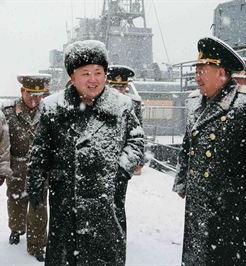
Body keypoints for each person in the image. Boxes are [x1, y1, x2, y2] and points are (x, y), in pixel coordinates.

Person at [25, 40, 144, 266]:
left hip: (107, 203)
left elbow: (136, 139)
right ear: (72, 76)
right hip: (65, 202)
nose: (93, 79)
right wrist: (35, 184)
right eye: (86, 73)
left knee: (104, 256)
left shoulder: (122, 106)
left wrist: (121, 170)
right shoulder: (53, 107)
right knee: (66, 257)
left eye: (99, 72)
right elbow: (40, 149)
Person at [173, 36, 246, 265]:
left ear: (221, 72)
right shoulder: (193, 102)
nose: (197, 77)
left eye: (203, 71)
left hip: (234, 210)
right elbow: (187, 145)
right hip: (198, 205)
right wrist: (182, 181)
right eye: (196, 71)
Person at [2, 73, 51, 262]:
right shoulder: (8, 112)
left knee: (38, 205)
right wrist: (4, 167)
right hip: (17, 166)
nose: (34, 99)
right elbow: (3, 144)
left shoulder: (48, 112)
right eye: (30, 94)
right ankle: (16, 229)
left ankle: (37, 245)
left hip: (40, 168)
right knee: (15, 202)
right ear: (22, 91)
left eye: (39, 95)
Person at [106, 65, 144, 246]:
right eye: (115, 86)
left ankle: (119, 239)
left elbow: (138, 133)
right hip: (103, 162)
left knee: (118, 204)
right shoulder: (101, 101)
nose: (119, 90)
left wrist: (133, 162)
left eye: (122, 87)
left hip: (122, 163)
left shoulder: (133, 103)